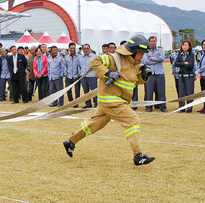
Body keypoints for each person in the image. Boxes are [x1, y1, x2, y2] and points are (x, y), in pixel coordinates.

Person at [63, 35, 155, 165]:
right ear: (133, 52)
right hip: (111, 100)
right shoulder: (114, 59)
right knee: (132, 120)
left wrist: (144, 77)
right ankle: (138, 155)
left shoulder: (135, 64)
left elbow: (133, 82)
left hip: (115, 101)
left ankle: (70, 141)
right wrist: (108, 73)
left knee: (94, 125)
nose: (142, 57)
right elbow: (94, 61)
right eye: (141, 54)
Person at [142, 36, 167, 113]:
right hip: (150, 73)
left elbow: (162, 58)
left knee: (161, 91)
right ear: (149, 42)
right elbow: (145, 61)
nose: (153, 42)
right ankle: (149, 107)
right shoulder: (146, 51)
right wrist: (155, 60)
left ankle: (162, 106)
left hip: (159, 73)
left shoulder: (160, 49)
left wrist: (151, 58)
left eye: (155, 41)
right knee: (149, 91)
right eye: (152, 41)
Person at [173, 40, 196, 112]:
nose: (184, 46)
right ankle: (182, 107)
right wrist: (184, 63)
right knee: (181, 92)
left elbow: (190, 65)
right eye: (183, 45)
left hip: (189, 76)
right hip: (181, 75)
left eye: (186, 45)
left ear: (189, 46)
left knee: (189, 93)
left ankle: (189, 108)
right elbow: (176, 63)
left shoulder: (191, 54)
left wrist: (182, 64)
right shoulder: (179, 54)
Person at [78, 44, 97, 108]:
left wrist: (97, 74)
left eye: (87, 48)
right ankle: (88, 104)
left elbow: (97, 66)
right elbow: (79, 67)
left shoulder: (94, 57)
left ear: (90, 49)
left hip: (92, 76)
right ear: (82, 50)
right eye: (84, 49)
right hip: (83, 77)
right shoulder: (80, 57)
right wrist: (80, 74)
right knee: (86, 91)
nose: (86, 50)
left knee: (94, 91)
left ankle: (96, 103)